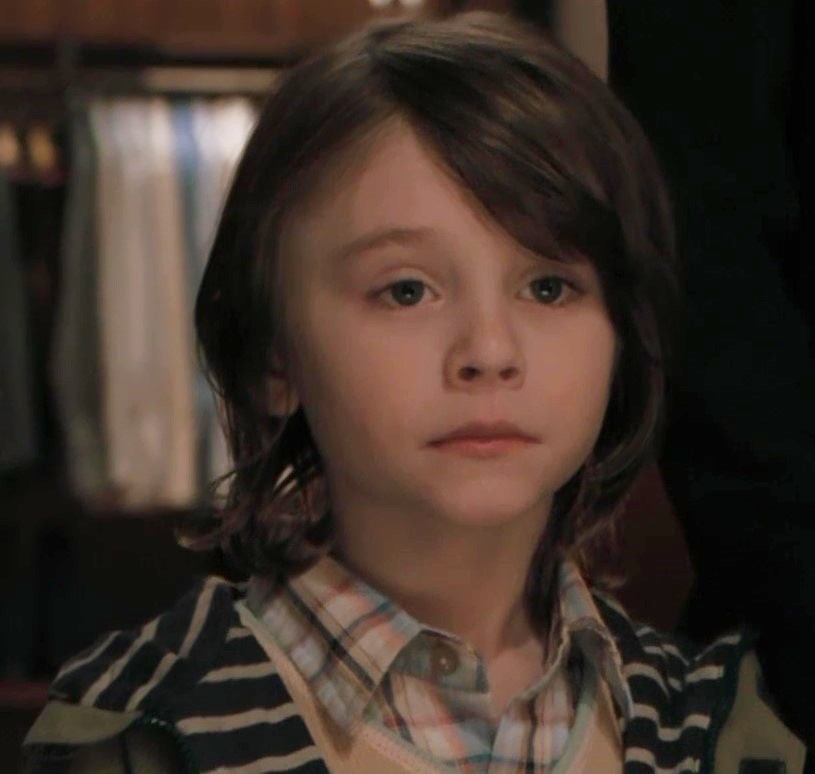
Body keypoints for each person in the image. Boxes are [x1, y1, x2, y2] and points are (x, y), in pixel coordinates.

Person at [22, 11, 809, 773]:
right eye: (406, 291)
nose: (489, 352)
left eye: (547, 287)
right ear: (272, 354)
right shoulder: (141, 732)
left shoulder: (716, 727)